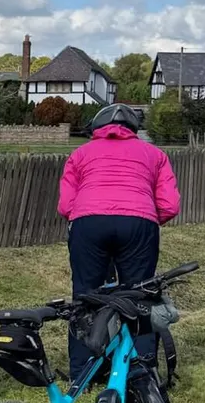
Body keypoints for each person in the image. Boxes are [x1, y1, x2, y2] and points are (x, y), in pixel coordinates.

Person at [58, 104, 180, 378]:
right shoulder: (155, 154)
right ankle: (141, 371)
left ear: (97, 129)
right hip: (138, 223)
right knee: (140, 296)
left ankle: (83, 372)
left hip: (89, 222)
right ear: (134, 129)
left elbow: (66, 204)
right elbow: (170, 205)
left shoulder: (80, 154)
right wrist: (144, 217)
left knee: (85, 296)